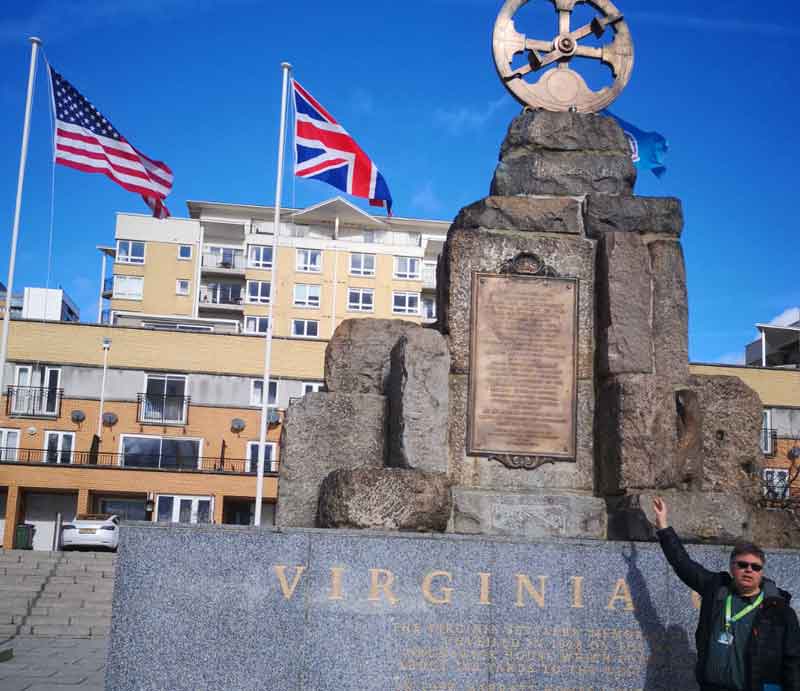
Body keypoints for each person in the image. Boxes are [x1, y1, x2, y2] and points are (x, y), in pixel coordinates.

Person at [653, 496, 800, 691]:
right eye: (742, 565)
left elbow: (793, 660)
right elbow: (683, 564)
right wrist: (663, 526)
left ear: (761, 571)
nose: (749, 570)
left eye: (755, 567)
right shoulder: (717, 590)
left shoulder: (779, 609)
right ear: (732, 567)